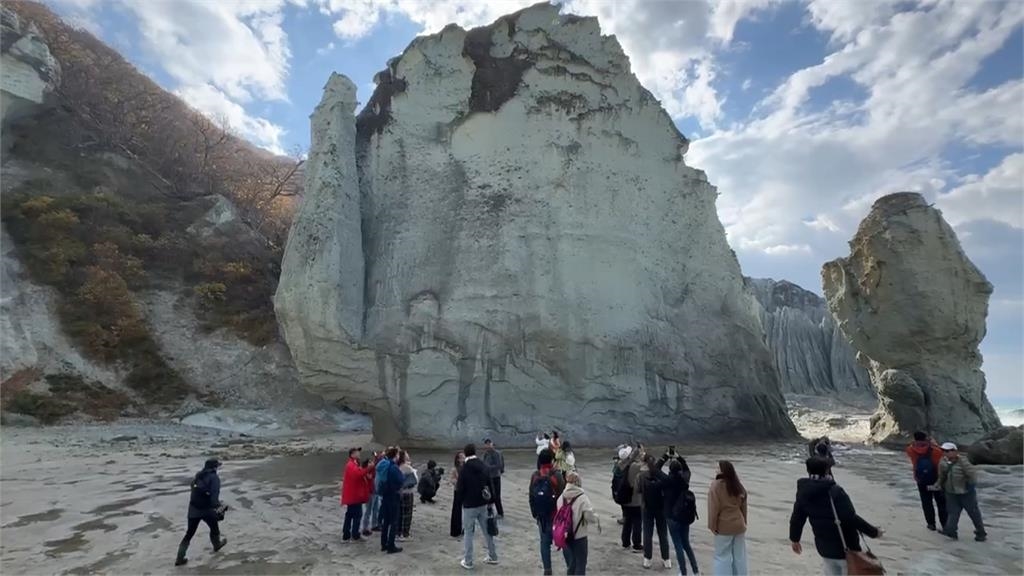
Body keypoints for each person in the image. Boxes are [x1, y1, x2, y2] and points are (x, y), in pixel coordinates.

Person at [789, 457, 883, 576]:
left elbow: (797, 517)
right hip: (846, 548)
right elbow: (850, 518)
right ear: (827, 470)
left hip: (824, 549)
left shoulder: (803, 492)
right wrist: (874, 532)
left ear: (808, 470)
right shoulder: (835, 491)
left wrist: (795, 539)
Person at [175, 459, 227, 566]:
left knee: (189, 534)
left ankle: (179, 558)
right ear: (214, 468)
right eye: (217, 466)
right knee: (214, 528)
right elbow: (214, 500)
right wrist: (222, 507)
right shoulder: (214, 478)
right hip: (206, 510)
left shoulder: (198, 476)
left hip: (193, 509)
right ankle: (216, 545)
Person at [933, 442, 987, 542]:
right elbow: (942, 476)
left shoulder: (963, 461)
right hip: (951, 492)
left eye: (948, 451)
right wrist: (938, 485)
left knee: (973, 513)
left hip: (966, 493)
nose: (945, 453)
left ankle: (981, 533)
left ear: (955, 451)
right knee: (953, 513)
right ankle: (951, 532)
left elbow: (972, 475)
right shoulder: (942, 462)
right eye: (943, 451)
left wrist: (970, 487)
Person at [457, 443, 498, 569]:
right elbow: (490, 483)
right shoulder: (483, 465)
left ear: (466, 453)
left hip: (469, 505)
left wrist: (460, 502)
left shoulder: (464, 468)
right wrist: (492, 500)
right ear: (475, 451)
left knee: (468, 533)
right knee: (487, 531)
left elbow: (460, 488)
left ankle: (468, 560)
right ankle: (493, 556)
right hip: (483, 503)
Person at [707, 460, 747, 576]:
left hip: (724, 526)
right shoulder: (738, 484)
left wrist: (712, 526)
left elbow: (713, 508)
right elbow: (744, 504)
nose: (715, 469)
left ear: (722, 470)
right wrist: (744, 521)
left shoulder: (716, 485)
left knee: (722, 557)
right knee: (740, 557)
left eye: (717, 468)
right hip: (739, 525)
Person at [530, 448, 565, 575]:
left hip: (542, 517)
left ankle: (547, 570)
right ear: (551, 459)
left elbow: (531, 497)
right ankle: (570, 569)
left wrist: (535, 513)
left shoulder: (535, 475)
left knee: (544, 544)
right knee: (564, 542)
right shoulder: (557, 475)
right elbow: (562, 494)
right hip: (556, 515)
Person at [663, 458, 700, 575]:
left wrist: (664, 457)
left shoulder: (666, 481)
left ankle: (683, 572)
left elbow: (656, 470)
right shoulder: (684, 481)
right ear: (680, 470)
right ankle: (695, 571)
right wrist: (680, 458)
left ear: (670, 470)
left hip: (671, 516)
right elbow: (688, 471)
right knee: (686, 544)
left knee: (678, 545)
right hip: (684, 515)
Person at [559, 471, 599, 575]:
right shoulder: (582, 498)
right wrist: (596, 518)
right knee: (581, 563)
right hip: (579, 536)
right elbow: (589, 516)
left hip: (565, 534)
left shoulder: (561, 497)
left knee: (571, 563)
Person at [905, 431, 947, 531]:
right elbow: (942, 453)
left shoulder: (910, 450)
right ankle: (945, 525)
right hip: (936, 479)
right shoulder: (934, 450)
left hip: (921, 480)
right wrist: (934, 443)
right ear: (925, 439)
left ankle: (931, 524)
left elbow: (909, 447)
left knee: (926, 502)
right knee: (941, 503)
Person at [638, 453, 671, 569]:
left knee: (647, 534)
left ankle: (647, 560)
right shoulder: (660, 475)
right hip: (661, 508)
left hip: (647, 508)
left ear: (645, 463)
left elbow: (638, 490)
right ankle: (666, 559)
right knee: (663, 534)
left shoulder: (641, 476)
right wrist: (667, 455)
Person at [616, 444, 643, 553]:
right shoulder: (636, 466)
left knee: (627, 521)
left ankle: (625, 543)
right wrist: (641, 453)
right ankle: (636, 544)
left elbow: (630, 459)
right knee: (637, 522)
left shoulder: (621, 464)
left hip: (624, 498)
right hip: (635, 499)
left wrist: (635, 452)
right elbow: (649, 465)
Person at [377, 447, 405, 554]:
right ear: (395, 455)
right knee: (394, 522)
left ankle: (384, 544)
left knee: (386, 522)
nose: (399, 456)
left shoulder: (384, 464)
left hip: (385, 495)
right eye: (398, 454)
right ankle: (391, 546)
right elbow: (400, 480)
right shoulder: (393, 467)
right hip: (393, 496)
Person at [340, 447, 372, 542]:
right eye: (357, 452)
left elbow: (358, 473)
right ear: (352, 454)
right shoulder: (351, 465)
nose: (359, 453)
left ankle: (347, 535)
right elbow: (358, 474)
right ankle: (355, 535)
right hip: (354, 496)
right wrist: (368, 468)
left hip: (352, 495)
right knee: (357, 515)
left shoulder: (353, 464)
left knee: (350, 515)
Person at [482, 438, 506, 517]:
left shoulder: (496, 453)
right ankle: (489, 510)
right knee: (489, 494)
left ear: (492, 444)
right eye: (486, 444)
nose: (488, 446)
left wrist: (488, 467)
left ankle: (500, 512)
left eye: (489, 444)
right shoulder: (486, 454)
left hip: (495, 476)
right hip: (488, 477)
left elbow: (499, 465)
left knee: (496, 495)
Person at [398, 451, 418, 541]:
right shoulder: (407, 468)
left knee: (400, 513)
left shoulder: (397, 466)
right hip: (407, 493)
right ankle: (405, 534)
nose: (408, 455)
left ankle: (398, 533)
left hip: (399, 492)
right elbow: (415, 480)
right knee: (407, 514)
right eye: (406, 454)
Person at [362, 451, 383, 536]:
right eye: (369, 462)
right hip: (370, 493)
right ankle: (365, 527)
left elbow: (376, 464)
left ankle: (374, 525)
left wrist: (376, 457)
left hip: (375, 492)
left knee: (375, 509)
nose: (371, 463)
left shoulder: (372, 470)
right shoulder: (367, 472)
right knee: (368, 510)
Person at [450, 451, 466, 538]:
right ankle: (456, 530)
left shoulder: (467, 467)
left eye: (464, 457)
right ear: (458, 459)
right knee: (457, 510)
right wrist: (458, 482)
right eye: (461, 457)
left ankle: (466, 528)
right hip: (458, 490)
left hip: (467, 491)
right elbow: (452, 480)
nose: (463, 459)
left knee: (467, 510)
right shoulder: (455, 469)